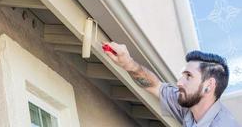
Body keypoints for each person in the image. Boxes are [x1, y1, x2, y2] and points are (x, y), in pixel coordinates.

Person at [103, 42, 240, 127]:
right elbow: (155, 85)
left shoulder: (223, 124)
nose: (179, 82)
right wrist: (129, 64)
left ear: (209, 85)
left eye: (189, 76)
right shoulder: (187, 106)